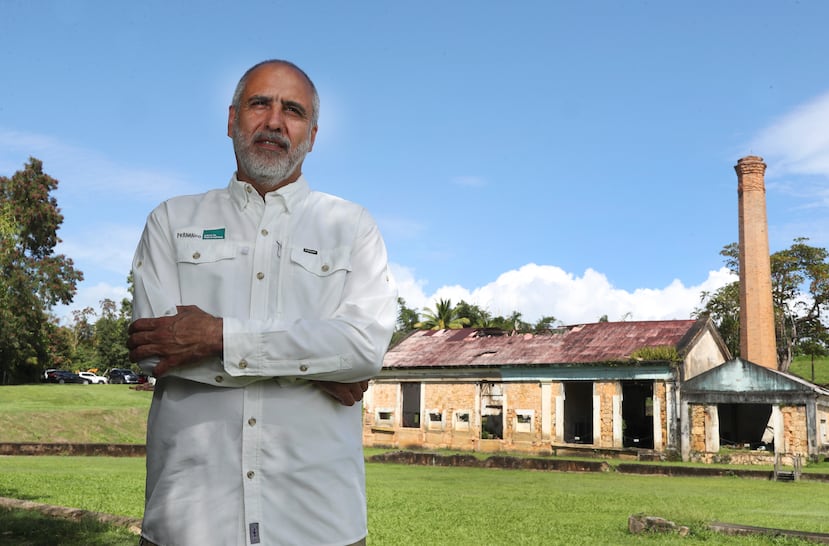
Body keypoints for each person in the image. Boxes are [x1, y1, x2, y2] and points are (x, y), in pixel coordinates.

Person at [127, 59, 397, 546]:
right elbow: (155, 351)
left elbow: (363, 349)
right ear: (232, 120)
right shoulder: (172, 220)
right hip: (188, 520)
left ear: (312, 135)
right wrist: (315, 365)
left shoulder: (353, 227)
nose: (274, 121)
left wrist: (216, 336)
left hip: (319, 523)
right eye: (259, 104)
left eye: (292, 110)